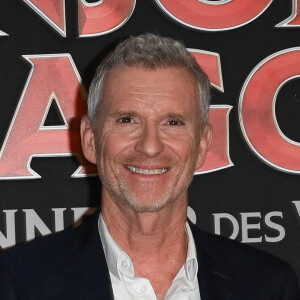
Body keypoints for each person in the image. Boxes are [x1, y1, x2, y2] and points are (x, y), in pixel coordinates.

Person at [0, 33, 299, 300]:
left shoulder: (267, 286)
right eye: (127, 120)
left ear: (203, 145)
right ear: (90, 139)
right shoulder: (19, 283)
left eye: (173, 122)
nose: (150, 146)